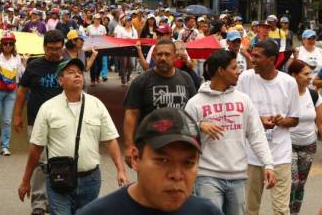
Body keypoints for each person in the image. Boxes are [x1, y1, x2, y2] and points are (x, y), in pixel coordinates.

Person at [18, 58, 127, 214]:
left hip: (91, 180)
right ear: (60, 81)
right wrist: (25, 180)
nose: (77, 75)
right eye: (71, 72)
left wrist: (121, 170)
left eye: (79, 72)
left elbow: (110, 140)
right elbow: (36, 148)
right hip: (59, 178)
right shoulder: (48, 108)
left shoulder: (96, 105)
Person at [78, 107, 223, 215]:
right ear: (135, 158)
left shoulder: (208, 212)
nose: (177, 175)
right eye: (163, 160)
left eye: (188, 163)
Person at [185, 50, 275, 215]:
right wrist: (199, 125)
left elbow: (256, 134)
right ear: (220, 71)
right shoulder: (195, 103)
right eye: (234, 68)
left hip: (238, 177)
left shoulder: (243, 100)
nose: (238, 71)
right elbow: (183, 136)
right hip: (207, 176)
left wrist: (268, 164)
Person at [236, 40, 300, 215]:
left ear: (272, 59)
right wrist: (258, 121)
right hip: (252, 156)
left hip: (280, 155)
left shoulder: (288, 82)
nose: (252, 59)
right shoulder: (245, 78)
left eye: (257, 56)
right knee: (250, 209)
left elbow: (294, 119)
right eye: (252, 55)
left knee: (281, 209)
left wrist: (281, 121)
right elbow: (238, 114)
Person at [13, 29, 65, 215]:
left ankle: (55, 200)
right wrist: (17, 115)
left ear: (63, 47)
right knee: (39, 162)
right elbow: (22, 92)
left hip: (63, 123)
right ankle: (38, 203)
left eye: (58, 49)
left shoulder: (68, 66)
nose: (54, 52)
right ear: (44, 48)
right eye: (50, 49)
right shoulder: (34, 66)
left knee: (59, 163)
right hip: (36, 122)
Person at [123, 39, 197, 167]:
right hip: (151, 147)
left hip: (180, 147)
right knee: (150, 186)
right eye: (159, 54)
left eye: (167, 54)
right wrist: (129, 146)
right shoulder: (141, 81)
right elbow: (131, 114)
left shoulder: (186, 79)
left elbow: (194, 112)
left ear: (175, 57)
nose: (163, 58)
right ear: (153, 56)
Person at [285, 59, 322, 214]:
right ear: (293, 75)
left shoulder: (313, 95)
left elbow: (321, 123)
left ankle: (294, 212)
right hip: (288, 145)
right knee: (292, 181)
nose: (310, 77)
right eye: (305, 74)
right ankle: (283, 210)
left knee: (301, 184)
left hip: (309, 145)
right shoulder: (284, 95)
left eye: (310, 73)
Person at [0, 31, 25, 156]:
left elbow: (21, 75)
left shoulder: (17, 58)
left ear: (14, 45)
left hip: (10, 93)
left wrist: (24, 64)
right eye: (5, 43)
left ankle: (5, 146)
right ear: (1, 44)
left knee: (7, 120)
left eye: (10, 43)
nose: (8, 45)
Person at [114, 15, 138, 85]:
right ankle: (123, 79)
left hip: (131, 49)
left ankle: (128, 76)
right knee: (123, 64)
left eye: (130, 21)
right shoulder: (121, 29)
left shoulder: (134, 30)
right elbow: (118, 39)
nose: (128, 22)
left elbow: (136, 40)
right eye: (127, 21)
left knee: (132, 65)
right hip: (123, 48)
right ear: (125, 22)